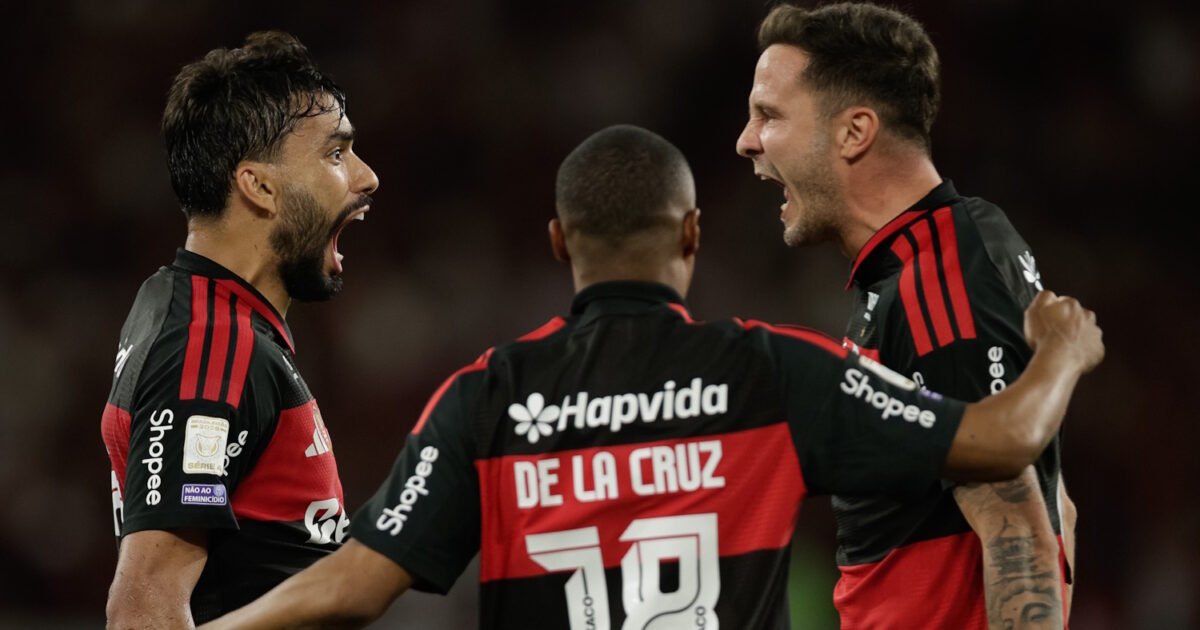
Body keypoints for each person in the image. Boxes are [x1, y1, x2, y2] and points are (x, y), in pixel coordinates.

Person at [199, 125, 1101, 630]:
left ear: (559, 244)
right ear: (692, 234)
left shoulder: (488, 395)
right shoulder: (773, 370)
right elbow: (1001, 440)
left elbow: (354, 584)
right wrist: (1061, 348)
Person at [735, 3, 1075, 628]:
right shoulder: (951, 251)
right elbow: (1058, 508)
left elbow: (1021, 530)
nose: (747, 141)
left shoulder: (938, 284)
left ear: (853, 132)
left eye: (769, 115)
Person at [101, 31, 379, 628]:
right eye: (336, 154)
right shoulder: (210, 342)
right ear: (259, 186)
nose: (366, 177)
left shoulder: (191, 309)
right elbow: (142, 608)